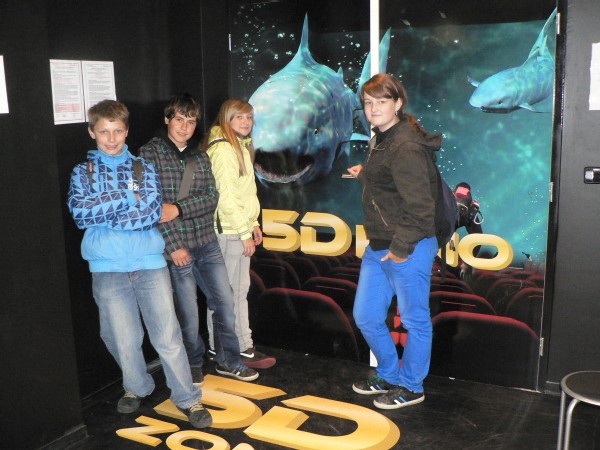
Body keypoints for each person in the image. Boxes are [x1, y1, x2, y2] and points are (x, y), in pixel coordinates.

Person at [67, 100, 211, 428]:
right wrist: (124, 199)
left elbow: (149, 213)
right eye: (104, 131)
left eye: (118, 131)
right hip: (107, 267)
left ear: (127, 131)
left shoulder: (142, 168)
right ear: (92, 132)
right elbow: (81, 215)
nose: (111, 138)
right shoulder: (82, 172)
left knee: (168, 336)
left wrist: (106, 208)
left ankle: (187, 398)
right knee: (121, 337)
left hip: (149, 264)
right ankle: (137, 386)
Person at [139, 93, 259, 383]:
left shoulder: (200, 155)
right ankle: (192, 362)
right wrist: (173, 246)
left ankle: (228, 360)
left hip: (207, 241)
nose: (184, 127)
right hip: (178, 246)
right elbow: (151, 206)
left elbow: (211, 198)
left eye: (191, 121)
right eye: (179, 120)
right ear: (167, 119)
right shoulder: (149, 154)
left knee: (225, 303)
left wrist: (178, 208)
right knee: (189, 314)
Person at [346, 73, 440, 410]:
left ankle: (412, 386)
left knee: (415, 321)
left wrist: (400, 250)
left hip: (407, 246)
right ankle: (388, 374)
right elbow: (390, 187)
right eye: (368, 103)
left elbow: (421, 208)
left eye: (382, 102)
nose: (373, 109)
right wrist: (365, 174)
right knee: (366, 316)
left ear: (398, 104)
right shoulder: (383, 138)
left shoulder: (405, 146)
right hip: (380, 244)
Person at [204, 99, 276, 369]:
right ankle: (223, 348)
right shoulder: (224, 149)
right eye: (239, 117)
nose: (245, 122)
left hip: (237, 229)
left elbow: (245, 193)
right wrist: (244, 231)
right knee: (225, 295)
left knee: (237, 291)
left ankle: (241, 345)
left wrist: (252, 223)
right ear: (226, 119)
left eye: (249, 117)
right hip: (228, 232)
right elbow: (226, 197)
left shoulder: (240, 145)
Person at [453, 181, 484, 280]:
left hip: (462, 217)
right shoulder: (470, 210)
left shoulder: (471, 212)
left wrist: (467, 263)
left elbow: (478, 239)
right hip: (458, 217)